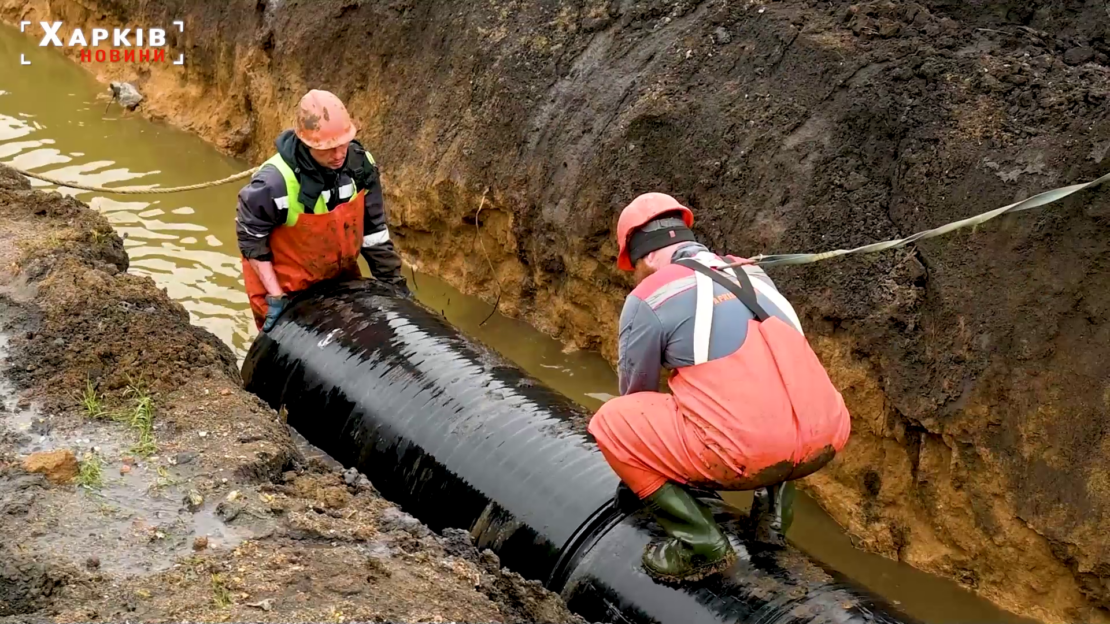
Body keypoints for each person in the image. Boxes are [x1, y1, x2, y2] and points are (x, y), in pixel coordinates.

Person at [588, 192, 852, 583]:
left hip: (752, 449)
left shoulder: (649, 295)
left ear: (643, 256)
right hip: (827, 432)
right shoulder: (751, 272)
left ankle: (701, 545)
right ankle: (771, 522)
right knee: (771, 391)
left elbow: (637, 395)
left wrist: (644, 479)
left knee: (612, 423)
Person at [236, 89, 410, 332]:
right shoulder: (274, 184)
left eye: (343, 145)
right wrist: (276, 297)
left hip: (339, 278)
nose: (339, 155)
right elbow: (251, 238)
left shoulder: (360, 166)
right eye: (328, 149)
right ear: (306, 143)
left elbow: (374, 232)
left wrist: (393, 285)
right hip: (285, 288)